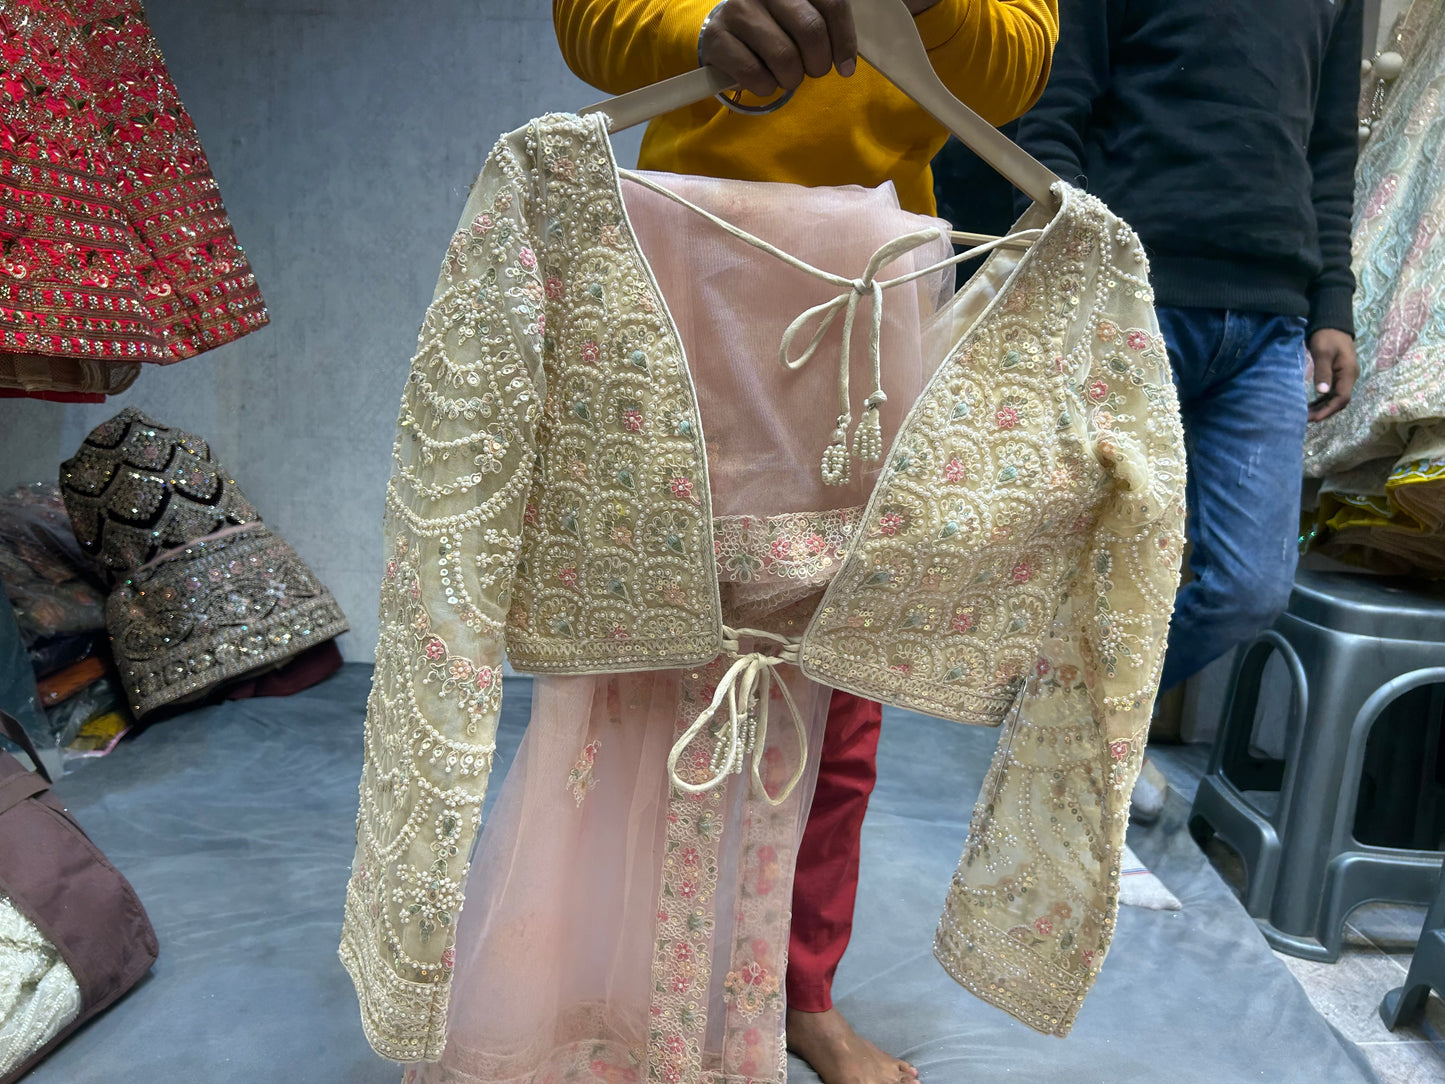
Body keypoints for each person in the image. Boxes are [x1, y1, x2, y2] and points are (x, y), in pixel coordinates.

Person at [552, 3, 1058, 1082]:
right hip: (689, 261)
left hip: (874, 282)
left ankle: (796, 991)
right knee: (643, 651)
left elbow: (1014, 69)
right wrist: (700, 28)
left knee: (839, 675)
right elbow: (589, 23)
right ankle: (611, 975)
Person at [1009, 0, 1363, 699]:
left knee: (1249, 590)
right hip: (1135, 296)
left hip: (1272, 317)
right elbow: (1052, 113)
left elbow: (1329, 149)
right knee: (1093, 563)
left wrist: (1333, 304)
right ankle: (1077, 751)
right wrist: (1086, 262)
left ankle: (1078, 725)